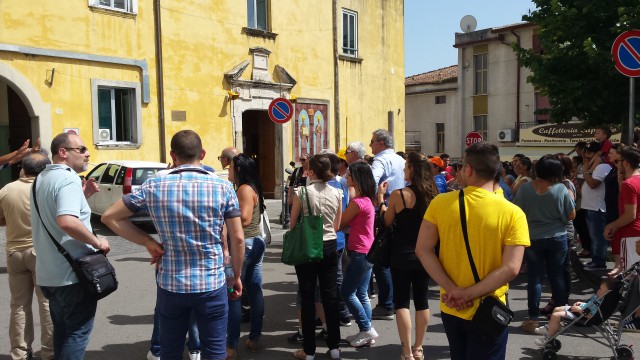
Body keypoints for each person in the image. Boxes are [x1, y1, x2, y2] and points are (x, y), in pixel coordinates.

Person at [102, 130, 245, 360]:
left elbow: (110, 216)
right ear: (203, 153)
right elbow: (237, 238)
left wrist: (148, 242)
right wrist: (236, 276)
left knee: (170, 351)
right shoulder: (222, 187)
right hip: (211, 282)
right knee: (216, 351)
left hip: (171, 283)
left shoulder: (154, 185)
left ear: (172, 155)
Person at [415, 142, 530, 360]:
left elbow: (423, 250)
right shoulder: (513, 213)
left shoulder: (441, 203)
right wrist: (468, 294)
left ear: (468, 169)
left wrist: (453, 290)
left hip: (451, 305)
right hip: (489, 306)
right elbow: (511, 268)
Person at [30, 133, 106, 360]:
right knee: (77, 333)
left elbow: (54, 213)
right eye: (81, 149)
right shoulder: (68, 178)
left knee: (62, 332)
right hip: (71, 275)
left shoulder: (42, 177)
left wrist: (84, 196)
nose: (88, 154)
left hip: (49, 274)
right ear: (63, 152)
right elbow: (66, 221)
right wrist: (97, 242)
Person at [379, 152, 438, 360]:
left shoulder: (399, 194)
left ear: (412, 169)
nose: (403, 170)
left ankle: (406, 352)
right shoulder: (434, 194)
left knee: (402, 301)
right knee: (422, 301)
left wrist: (381, 201)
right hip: (426, 255)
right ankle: (419, 348)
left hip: (401, 254)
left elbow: (386, 222)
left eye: (405, 167)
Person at [513, 155, 575, 334]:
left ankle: (532, 317)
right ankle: (560, 316)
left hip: (533, 237)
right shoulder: (560, 189)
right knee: (557, 276)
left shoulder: (525, 189)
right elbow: (571, 215)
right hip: (557, 237)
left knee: (535, 277)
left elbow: (517, 212)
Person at [0, 150, 53, 360]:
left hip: (14, 252)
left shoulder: (7, 189)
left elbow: (1, 219)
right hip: (41, 253)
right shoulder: (45, 187)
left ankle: (20, 352)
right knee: (47, 303)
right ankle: (49, 352)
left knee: (19, 305)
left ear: (23, 168)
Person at [290, 154, 343, 360]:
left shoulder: (302, 192)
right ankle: (335, 346)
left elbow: (293, 223)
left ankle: (309, 350)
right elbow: (337, 225)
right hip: (330, 244)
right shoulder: (338, 192)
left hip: (307, 247)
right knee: (330, 296)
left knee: (308, 295)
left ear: (311, 172)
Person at [226, 153, 266, 358]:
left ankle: (231, 345)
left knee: (234, 293)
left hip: (246, 244)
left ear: (239, 170)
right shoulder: (250, 187)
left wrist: (224, 222)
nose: (228, 170)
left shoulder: (244, 189)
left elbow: (245, 218)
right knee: (254, 289)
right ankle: (254, 337)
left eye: (231, 167)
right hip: (255, 242)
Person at [338, 162, 377, 348]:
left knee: (347, 292)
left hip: (359, 252)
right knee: (361, 293)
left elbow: (340, 223)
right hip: (368, 250)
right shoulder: (368, 200)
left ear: (357, 178)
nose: (346, 177)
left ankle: (366, 328)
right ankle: (366, 332)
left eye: (349, 175)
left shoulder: (358, 203)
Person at [369, 129, 405, 321]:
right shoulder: (400, 160)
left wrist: (375, 197)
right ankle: (394, 302)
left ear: (381, 143)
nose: (370, 144)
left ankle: (386, 304)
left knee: (381, 259)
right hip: (402, 209)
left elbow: (371, 180)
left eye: (372, 141)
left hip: (385, 210)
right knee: (393, 259)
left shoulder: (381, 160)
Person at [604, 146, 640, 330]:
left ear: (625, 162)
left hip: (632, 235)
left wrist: (612, 225)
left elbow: (630, 215)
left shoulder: (629, 184)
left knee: (632, 279)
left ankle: (634, 317)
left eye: (619, 161)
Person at [533, 277, 620, 346]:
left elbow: (590, 316)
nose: (598, 290)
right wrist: (582, 304)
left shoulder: (601, 302)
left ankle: (548, 337)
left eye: (601, 289)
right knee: (557, 309)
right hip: (580, 311)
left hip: (582, 316)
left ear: (608, 293)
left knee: (556, 315)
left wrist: (580, 310)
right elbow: (590, 305)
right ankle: (552, 328)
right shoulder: (600, 298)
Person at [581, 141, 612, 271]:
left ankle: (599, 262)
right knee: (594, 236)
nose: (587, 156)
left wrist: (585, 171)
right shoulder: (592, 167)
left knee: (598, 236)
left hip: (597, 207)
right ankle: (595, 260)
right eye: (585, 153)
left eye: (590, 153)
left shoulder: (603, 167)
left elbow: (593, 184)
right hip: (590, 207)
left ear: (598, 154)